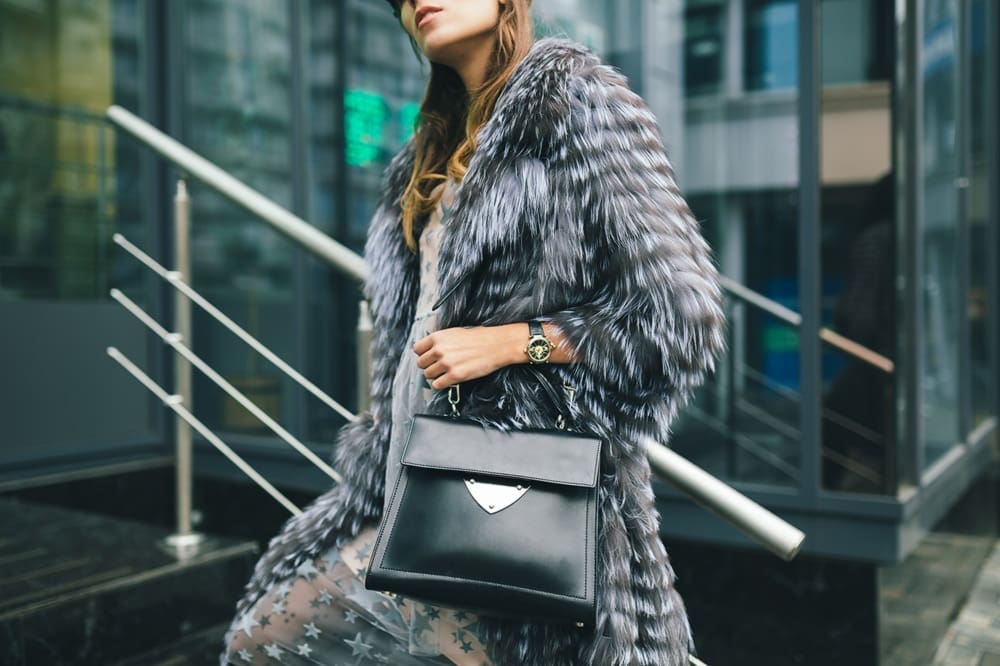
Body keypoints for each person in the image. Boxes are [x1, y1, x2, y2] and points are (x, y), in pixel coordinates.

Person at [220, 1, 725, 664]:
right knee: (264, 638)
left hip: (513, 501)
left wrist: (512, 341)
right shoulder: (423, 156)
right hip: (412, 491)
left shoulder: (577, 103)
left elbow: (678, 316)